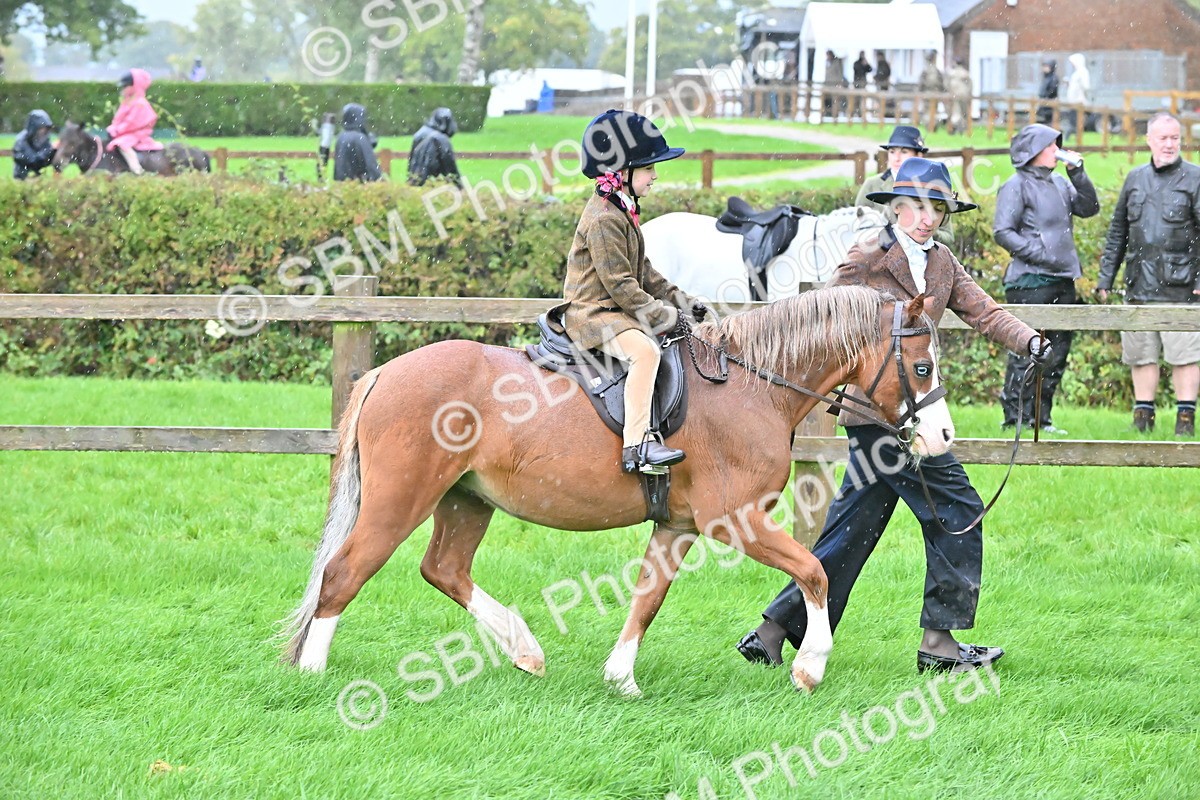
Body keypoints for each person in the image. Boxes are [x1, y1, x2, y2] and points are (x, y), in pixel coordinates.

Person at [735, 157, 1049, 673]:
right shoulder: (868, 257)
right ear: (897, 207)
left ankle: (772, 633)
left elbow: (984, 311)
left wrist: (1029, 340)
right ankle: (939, 646)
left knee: (852, 531)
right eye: (918, 208)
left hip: (906, 414)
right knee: (959, 511)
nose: (928, 218)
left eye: (937, 209)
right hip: (884, 418)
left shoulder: (942, 261)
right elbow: (827, 318)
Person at [555, 110, 709, 473]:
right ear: (621, 171)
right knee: (645, 352)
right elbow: (622, 287)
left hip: (612, 310)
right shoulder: (604, 218)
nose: (655, 176)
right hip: (592, 314)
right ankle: (636, 446)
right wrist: (667, 316)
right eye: (649, 168)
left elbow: (646, 274)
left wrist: (685, 302)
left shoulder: (621, 209)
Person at [1098, 112, 1200, 436]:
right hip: (1138, 283)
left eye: (1175, 138)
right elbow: (1118, 232)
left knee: (1184, 355)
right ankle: (1143, 418)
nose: (1169, 144)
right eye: (1163, 138)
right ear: (1149, 141)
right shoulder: (1135, 179)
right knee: (1140, 355)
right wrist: (1105, 278)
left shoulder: (1195, 178)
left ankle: (1185, 420)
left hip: (1182, 286)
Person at [995, 124, 1099, 434]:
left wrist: (1078, 175)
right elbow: (1003, 232)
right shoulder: (1016, 185)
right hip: (1028, 283)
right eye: (1050, 145)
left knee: (1057, 354)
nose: (1057, 150)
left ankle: (1042, 418)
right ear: (1033, 151)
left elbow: (1089, 208)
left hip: (1063, 280)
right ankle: (1015, 418)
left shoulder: (1060, 183)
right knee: (1026, 351)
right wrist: (1040, 254)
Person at [856, 125, 928, 222]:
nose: (896, 158)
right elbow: (857, 222)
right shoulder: (872, 185)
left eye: (904, 152)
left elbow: (945, 230)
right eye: (892, 152)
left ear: (918, 156)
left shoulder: (931, 187)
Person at [106, 69, 163, 175]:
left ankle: (137, 169)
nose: (123, 89)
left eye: (125, 86)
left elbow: (131, 122)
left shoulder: (140, 103)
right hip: (128, 133)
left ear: (134, 86)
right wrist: (113, 128)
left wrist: (117, 130)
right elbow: (118, 119)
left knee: (122, 145)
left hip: (137, 135)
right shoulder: (127, 102)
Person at [407, 107, 460, 187]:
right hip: (436, 183)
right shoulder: (441, 139)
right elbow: (450, 167)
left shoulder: (420, 133)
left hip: (416, 181)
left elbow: (412, 161)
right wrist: (459, 186)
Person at [333, 103, 382, 182]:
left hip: (343, 183)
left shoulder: (341, 137)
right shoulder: (360, 138)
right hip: (359, 183)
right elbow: (371, 166)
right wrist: (379, 179)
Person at [12, 109, 56, 180]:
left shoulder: (44, 140)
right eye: (42, 128)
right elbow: (31, 160)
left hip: (39, 180)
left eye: (45, 128)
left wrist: (55, 150)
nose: (43, 131)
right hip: (21, 178)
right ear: (35, 127)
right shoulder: (21, 141)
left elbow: (46, 159)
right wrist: (48, 152)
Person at [1062, 53, 1090, 138]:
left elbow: (1086, 86)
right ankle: (1073, 137)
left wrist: (1078, 86)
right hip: (1073, 102)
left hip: (1079, 101)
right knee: (1073, 120)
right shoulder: (1077, 72)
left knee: (1076, 121)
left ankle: (1074, 137)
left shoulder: (1083, 72)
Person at [918, 51, 944, 130]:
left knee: (927, 110)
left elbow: (921, 83)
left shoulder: (926, 70)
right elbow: (941, 83)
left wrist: (920, 92)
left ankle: (928, 125)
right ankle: (933, 125)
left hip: (927, 93)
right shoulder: (936, 71)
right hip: (935, 93)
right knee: (934, 110)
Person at [947, 58, 972, 135]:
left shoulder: (952, 73)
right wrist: (968, 94)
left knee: (955, 111)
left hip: (954, 95)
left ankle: (954, 127)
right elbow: (970, 85)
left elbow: (947, 84)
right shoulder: (965, 73)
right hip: (963, 95)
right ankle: (961, 127)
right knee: (963, 112)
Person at [1035, 59, 1059, 125]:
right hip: (1043, 104)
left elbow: (1052, 90)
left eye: (1046, 66)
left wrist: (1046, 98)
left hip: (1049, 106)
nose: (1044, 68)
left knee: (1049, 123)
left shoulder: (1053, 78)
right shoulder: (1046, 77)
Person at [851, 51, 872, 120]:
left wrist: (866, 64)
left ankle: (861, 114)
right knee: (856, 100)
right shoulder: (857, 63)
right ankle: (856, 113)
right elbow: (857, 69)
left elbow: (870, 70)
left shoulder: (864, 63)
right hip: (857, 83)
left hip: (862, 84)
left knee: (862, 99)